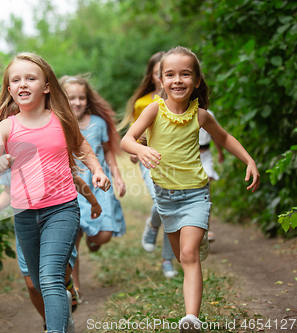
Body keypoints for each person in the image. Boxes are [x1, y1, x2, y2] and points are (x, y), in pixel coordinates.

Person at [121, 46, 260, 332]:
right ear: (160, 80)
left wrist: (249, 159)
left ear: (196, 80)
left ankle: (191, 319)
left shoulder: (201, 116)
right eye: (170, 74)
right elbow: (127, 139)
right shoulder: (152, 110)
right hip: (166, 197)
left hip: (196, 193)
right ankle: (197, 241)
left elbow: (225, 138)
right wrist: (140, 149)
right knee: (182, 256)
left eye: (185, 74)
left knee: (188, 255)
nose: (177, 80)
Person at [0, 52, 111, 333]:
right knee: (39, 282)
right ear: (10, 89)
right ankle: (66, 316)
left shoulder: (61, 121)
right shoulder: (5, 128)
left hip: (61, 209)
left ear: (46, 86)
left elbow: (83, 149)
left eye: (31, 78)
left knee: (49, 279)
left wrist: (97, 170)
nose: (23, 84)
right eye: (16, 80)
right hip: (24, 215)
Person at [0, 171, 101, 332]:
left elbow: (74, 179)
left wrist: (93, 202)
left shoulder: (50, 149)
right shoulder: (9, 157)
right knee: (33, 285)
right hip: (26, 224)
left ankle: (67, 286)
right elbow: (8, 191)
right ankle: (49, 323)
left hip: (58, 216)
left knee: (57, 274)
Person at [59, 75, 126, 297]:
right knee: (73, 238)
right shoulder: (57, 123)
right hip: (71, 184)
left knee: (104, 234)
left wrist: (117, 177)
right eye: (71, 98)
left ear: (87, 99)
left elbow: (107, 152)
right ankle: (75, 286)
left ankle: (93, 239)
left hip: (98, 183)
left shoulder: (98, 123)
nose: (76, 102)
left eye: (81, 97)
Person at [117, 51, 178, 278]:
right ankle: (154, 227)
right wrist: (136, 150)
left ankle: (167, 260)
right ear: (153, 76)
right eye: (158, 72)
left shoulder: (182, 100)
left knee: (170, 210)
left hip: (174, 162)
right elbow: (135, 133)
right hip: (149, 160)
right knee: (162, 204)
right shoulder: (144, 102)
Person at [199, 110, 224, 242]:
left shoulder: (208, 114)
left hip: (206, 155)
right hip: (188, 156)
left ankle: (206, 229)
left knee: (206, 190)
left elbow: (216, 135)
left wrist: (220, 152)